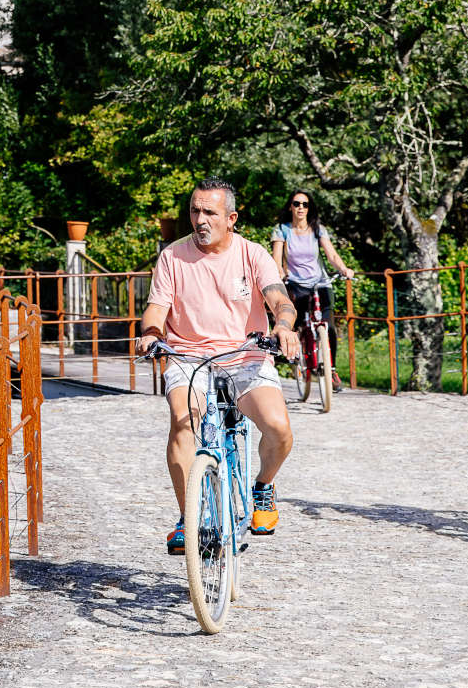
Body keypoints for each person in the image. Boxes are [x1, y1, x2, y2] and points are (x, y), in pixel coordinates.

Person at [135, 179, 302, 549]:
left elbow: (279, 299)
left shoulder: (253, 254)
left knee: (278, 428)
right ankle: (188, 518)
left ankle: (262, 487)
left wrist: (284, 326)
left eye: (209, 212)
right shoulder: (172, 256)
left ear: (231, 218)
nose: (200, 219)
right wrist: (150, 333)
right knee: (183, 420)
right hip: (188, 355)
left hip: (245, 355)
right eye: (194, 211)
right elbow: (157, 309)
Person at [270, 190, 356, 393]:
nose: (301, 207)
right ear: (290, 206)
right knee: (295, 323)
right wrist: (280, 273)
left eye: (305, 204)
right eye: (296, 203)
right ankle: (296, 353)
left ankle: (331, 369)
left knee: (330, 327)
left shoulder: (318, 229)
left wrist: (343, 269)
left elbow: (331, 254)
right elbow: (276, 258)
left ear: (309, 208)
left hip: (320, 282)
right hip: (296, 283)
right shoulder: (282, 230)